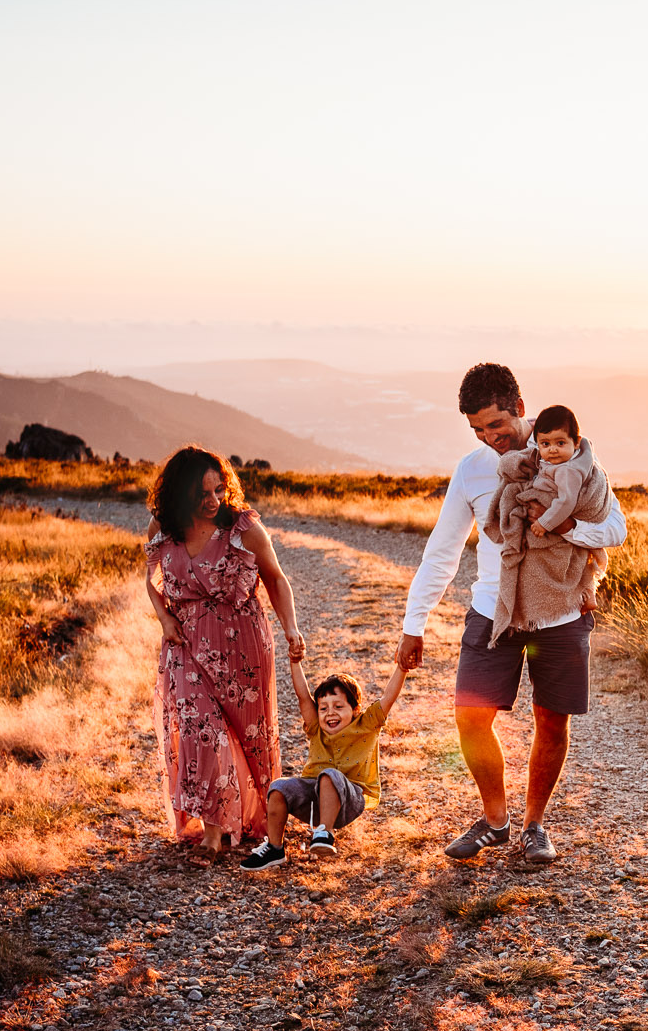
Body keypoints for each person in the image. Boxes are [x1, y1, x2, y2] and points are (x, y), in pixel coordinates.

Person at [396, 364, 627, 868]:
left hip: (560, 613)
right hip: (490, 610)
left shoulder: (567, 456)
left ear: (519, 410)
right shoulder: (472, 470)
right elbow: (443, 549)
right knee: (469, 717)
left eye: (495, 426)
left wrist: (567, 529)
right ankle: (495, 821)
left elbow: (616, 528)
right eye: (477, 430)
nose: (488, 437)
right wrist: (415, 623)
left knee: (551, 719)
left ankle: (535, 826)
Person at [144, 446, 302, 856]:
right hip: (186, 647)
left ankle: (258, 818)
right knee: (201, 729)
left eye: (218, 489)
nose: (214, 501)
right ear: (179, 495)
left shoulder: (243, 529)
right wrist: (164, 618)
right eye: (202, 494)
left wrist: (291, 629)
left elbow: (276, 579)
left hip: (243, 648)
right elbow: (152, 579)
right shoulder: (162, 529)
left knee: (251, 741)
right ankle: (213, 831)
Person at [242, 659, 408, 871]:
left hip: (349, 799)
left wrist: (402, 668)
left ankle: (324, 833)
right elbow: (303, 697)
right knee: (278, 787)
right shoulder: (316, 728)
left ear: (356, 709)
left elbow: (388, 698)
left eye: (338, 706)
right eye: (323, 708)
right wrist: (295, 661)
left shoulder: (367, 724)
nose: (330, 713)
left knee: (329, 775)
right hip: (313, 800)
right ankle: (275, 848)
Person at [483, 403, 611, 646]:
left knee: (567, 557)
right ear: (537, 443)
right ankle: (587, 592)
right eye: (546, 444)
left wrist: (545, 523)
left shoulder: (569, 471)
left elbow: (565, 502)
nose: (552, 450)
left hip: (554, 526)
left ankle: (584, 593)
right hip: (564, 526)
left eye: (560, 443)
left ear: (576, 442)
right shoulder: (557, 464)